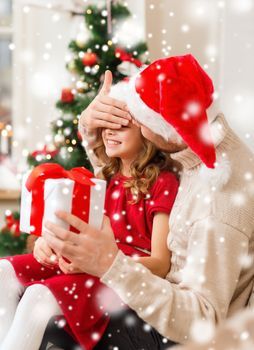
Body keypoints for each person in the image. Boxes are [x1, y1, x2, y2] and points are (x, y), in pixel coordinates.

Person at [41, 54, 254, 350]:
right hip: (158, 300)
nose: (132, 119)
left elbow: (203, 322)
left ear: (162, 129)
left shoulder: (219, 200)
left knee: (49, 324)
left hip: (184, 335)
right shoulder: (186, 148)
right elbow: (126, 179)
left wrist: (110, 265)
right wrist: (90, 129)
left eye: (138, 118)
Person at [0, 104, 179, 349]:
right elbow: (75, 231)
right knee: (3, 272)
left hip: (122, 276)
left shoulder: (163, 182)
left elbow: (160, 264)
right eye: (107, 126)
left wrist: (104, 264)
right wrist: (46, 242)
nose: (109, 133)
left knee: (38, 296)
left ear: (148, 131)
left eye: (122, 126)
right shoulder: (102, 180)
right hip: (88, 265)